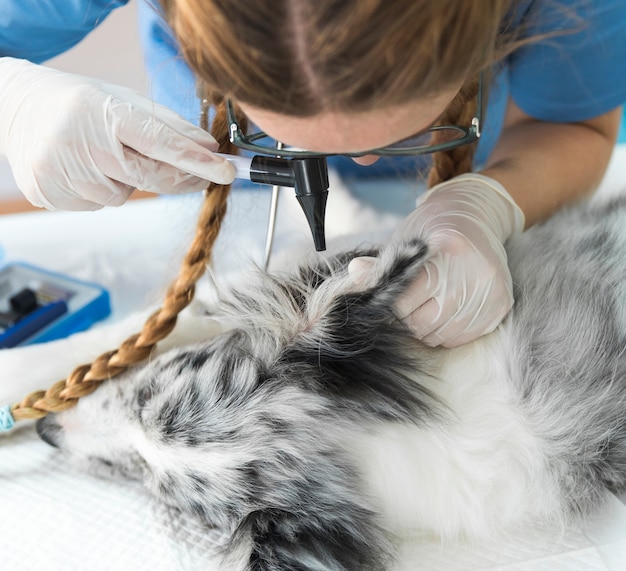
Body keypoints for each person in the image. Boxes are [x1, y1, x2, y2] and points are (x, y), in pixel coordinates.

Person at [1, 0, 625, 351]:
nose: (354, 163)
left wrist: (490, 202)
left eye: (402, 127)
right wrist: (14, 99)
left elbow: (576, 125)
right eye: (288, 132)